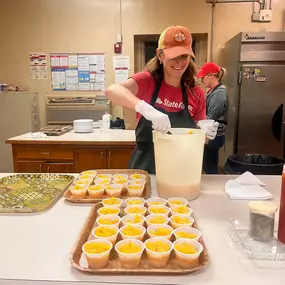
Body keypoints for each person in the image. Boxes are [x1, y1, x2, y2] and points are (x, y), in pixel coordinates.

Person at [105, 25, 219, 174]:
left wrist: (205, 134)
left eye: (184, 56)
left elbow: (200, 140)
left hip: (180, 167)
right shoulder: (147, 81)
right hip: (145, 167)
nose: (179, 62)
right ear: (160, 54)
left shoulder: (196, 92)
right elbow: (112, 90)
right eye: (173, 56)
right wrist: (144, 108)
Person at [197, 62, 228, 174]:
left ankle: (212, 186)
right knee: (207, 163)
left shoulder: (219, 93)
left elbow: (210, 117)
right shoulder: (212, 91)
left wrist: (196, 121)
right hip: (210, 134)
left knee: (210, 165)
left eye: (203, 77)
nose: (202, 81)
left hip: (214, 135)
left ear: (210, 75)